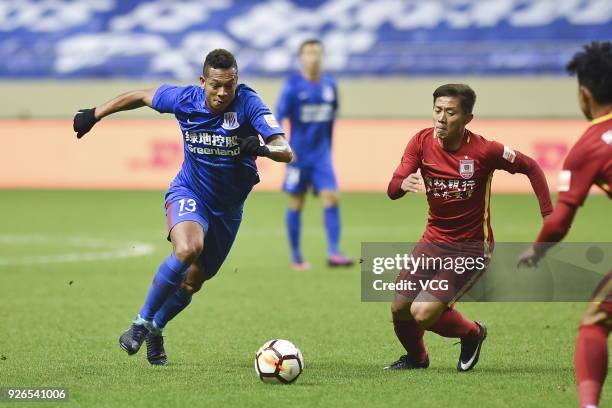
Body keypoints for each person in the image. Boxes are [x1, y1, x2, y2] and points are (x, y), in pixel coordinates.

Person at [73, 49, 293, 366]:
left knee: (192, 282)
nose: (222, 92)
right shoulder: (184, 98)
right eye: (215, 84)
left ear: (236, 82)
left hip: (228, 209)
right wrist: (95, 113)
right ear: (202, 81)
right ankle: (141, 323)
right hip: (189, 190)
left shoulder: (249, 104)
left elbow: (286, 150)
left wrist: (262, 148)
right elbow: (141, 96)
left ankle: (157, 330)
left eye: (229, 85)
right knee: (189, 248)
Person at [386, 84, 553, 371]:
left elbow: (531, 166)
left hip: (471, 246)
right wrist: (401, 185)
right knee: (400, 307)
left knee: (422, 313)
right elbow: (392, 189)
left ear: (467, 119)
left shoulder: (485, 150)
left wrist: (548, 214)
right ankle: (417, 359)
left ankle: (473, 333)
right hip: (433, 240)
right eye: (437, 110)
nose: (441, 118)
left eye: (450, 112)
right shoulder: (420, 142)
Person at [518, 41, 612, 408]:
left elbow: (560, 220)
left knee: (594, 321)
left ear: (584, 94)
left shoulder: (590, 145)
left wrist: (537, 250)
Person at [276, 39, 353, 271]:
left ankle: (333, 252)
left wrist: (327, 149)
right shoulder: (292, 86)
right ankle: (297, 256)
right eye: (309, 53)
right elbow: (278, 116)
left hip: (321, 156)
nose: (314, 57)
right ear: (301, 58)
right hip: (298, 156)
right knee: (297, 203)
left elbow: (332, 116)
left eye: (317, 53)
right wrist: (283, 146)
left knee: (332, 197)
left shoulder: (330, 84)